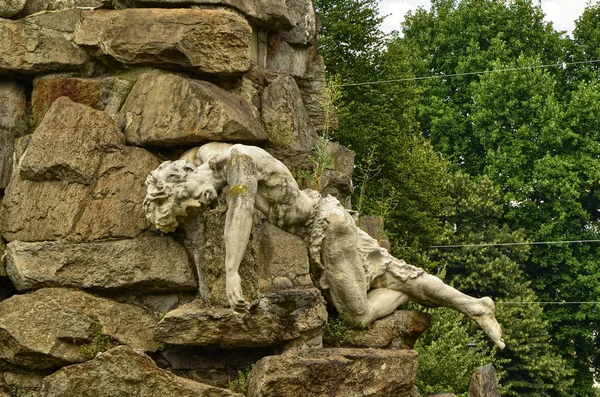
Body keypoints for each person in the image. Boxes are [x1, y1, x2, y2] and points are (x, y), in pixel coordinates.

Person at [144, 142, 505, 349]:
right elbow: (192, 158)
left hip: (327, 230)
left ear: (182, 182)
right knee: (396, 269)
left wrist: (232, 271)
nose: (197, 208)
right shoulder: (208, 157)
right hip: (327, 218)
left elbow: (239, 212)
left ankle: (405, 293)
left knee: (359, 316)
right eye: (187, 213)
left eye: (186, 203)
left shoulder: (238, 163)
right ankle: (475, 305)